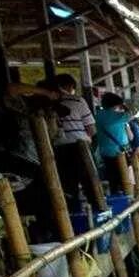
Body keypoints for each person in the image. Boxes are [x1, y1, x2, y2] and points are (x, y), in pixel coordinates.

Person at [49, 74, 94, 213]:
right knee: (90, 183)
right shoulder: (78, 100)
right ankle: (97, 213)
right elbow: (91, 128)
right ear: (70, 87)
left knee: (68, 186)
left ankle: (73, 215)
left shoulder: (46, 103)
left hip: (58, 149)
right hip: (80, 147)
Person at [94, 92, 133, 194]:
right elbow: (131, 114)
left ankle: (115, 195)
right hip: (120, 152)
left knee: (113, 179)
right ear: (116, 104)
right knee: (124, 179)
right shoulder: (118, 116)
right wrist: (123, 105)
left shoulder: (98, 115)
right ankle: (126, 198)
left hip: (105, 153)